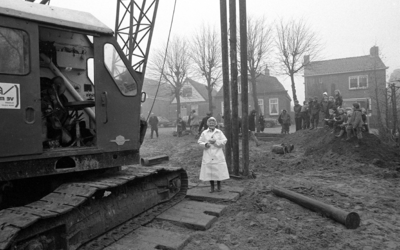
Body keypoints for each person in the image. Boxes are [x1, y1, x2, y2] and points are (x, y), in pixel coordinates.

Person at [198, 117, 230, 193]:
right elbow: (199, 142)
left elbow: (224, 141)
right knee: (209, 171)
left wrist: (215, 141)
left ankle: (219, 186)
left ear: (215, 124)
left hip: (217, 154)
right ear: (208, 124)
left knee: (218, 171)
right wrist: (205, 144)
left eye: (213, 122)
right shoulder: (204, 133)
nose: (211, 124)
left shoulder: (219, 132)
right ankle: (212, 187)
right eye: (210, 122)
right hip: (208, 154)